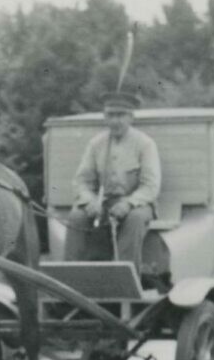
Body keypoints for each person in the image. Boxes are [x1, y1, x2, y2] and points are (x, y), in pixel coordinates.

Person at [63, 92, 161, 276]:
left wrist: (128, 204)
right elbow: (82, 181)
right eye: (110, 115)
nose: (115, 121)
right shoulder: (96, 144)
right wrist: (90, 201)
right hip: (105, 202)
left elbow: (151, 186)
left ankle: (126, 278)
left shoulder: (145, 144)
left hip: (138, 204)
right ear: (105, 117)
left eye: (121, 115)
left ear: (131, 117)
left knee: (135, 219)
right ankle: (70, 279)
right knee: (76, 216)